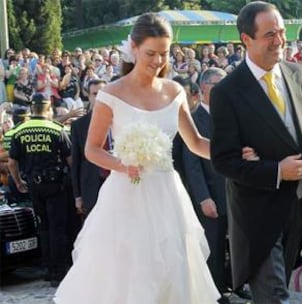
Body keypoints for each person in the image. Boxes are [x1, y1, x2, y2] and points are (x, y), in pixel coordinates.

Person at [54, 13, 220, 304]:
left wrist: (230, 152)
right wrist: (123, 165)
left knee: (172, 271)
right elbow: (92, 149)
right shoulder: (111, 93)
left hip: (168, 194)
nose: (158, 61)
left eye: (164, 54)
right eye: (151, 53)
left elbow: (195, 143)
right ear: (133, 48)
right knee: (129, 274)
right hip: (126, 196)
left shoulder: (175, 91)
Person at [209, 2, 302, 303]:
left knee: (276, 289)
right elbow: (224, 160)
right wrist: (276, 171)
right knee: (274, 294)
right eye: (269, 34)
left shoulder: (297, 74)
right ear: (246, 40)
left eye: (281, 32)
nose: (279, 41)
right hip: (256, 213)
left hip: (298, 204)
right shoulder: (227, 92)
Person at [8, 93, 72, 287]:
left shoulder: (19, 131)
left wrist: (18, 182)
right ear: (48, 108)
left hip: (34, 185)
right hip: (56, 185)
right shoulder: (57, 129)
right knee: (57, 227)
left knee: (43, 227)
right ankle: (58, 272)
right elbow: (70, 160)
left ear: (31, 108)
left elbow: (12, 163)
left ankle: (47, 268)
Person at [182, 67, 231, 304]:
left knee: (237, 244)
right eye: (217, 85)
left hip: (235, 192)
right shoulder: (192, 119)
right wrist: (203, 197)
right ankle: (216, 293)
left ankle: (235, 284)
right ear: (203, 89)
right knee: (214, 244)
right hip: (212, 194)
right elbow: (192, 165)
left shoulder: (233, 115)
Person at [70, 79, 107, 218]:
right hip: (91, 186)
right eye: (95, 93)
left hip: (117, 183)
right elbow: (76, 162)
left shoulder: (120, 120)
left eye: (102, 93)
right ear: (89, 96)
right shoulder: (79, 126)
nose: (98, 97)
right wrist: (77, 196)